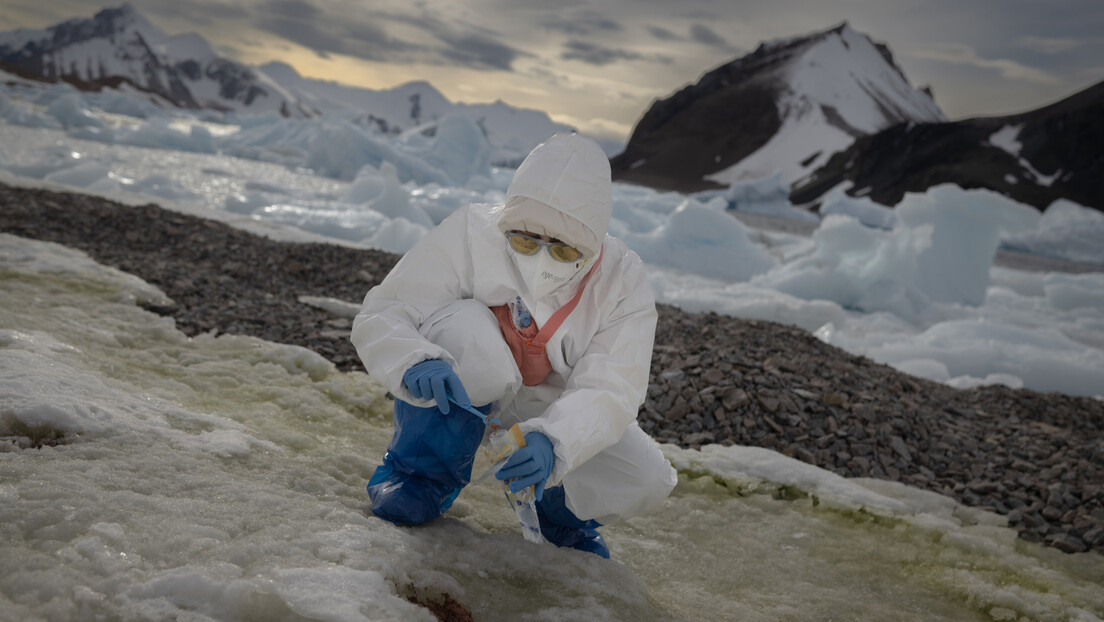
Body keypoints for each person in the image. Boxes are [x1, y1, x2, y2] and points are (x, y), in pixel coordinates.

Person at [351, 133, 677, 558]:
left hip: (549, 407)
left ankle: (554, 513)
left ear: (592, 244)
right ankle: (419, 476)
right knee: (466, 326)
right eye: (524, 241)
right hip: (467, 379)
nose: (541, 258)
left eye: (562, 251)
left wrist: (556, 442)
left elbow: (613, 387)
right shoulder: (472, 233)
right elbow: (390, 307)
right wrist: (414, 358)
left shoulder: (622, 281)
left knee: (645, 477)